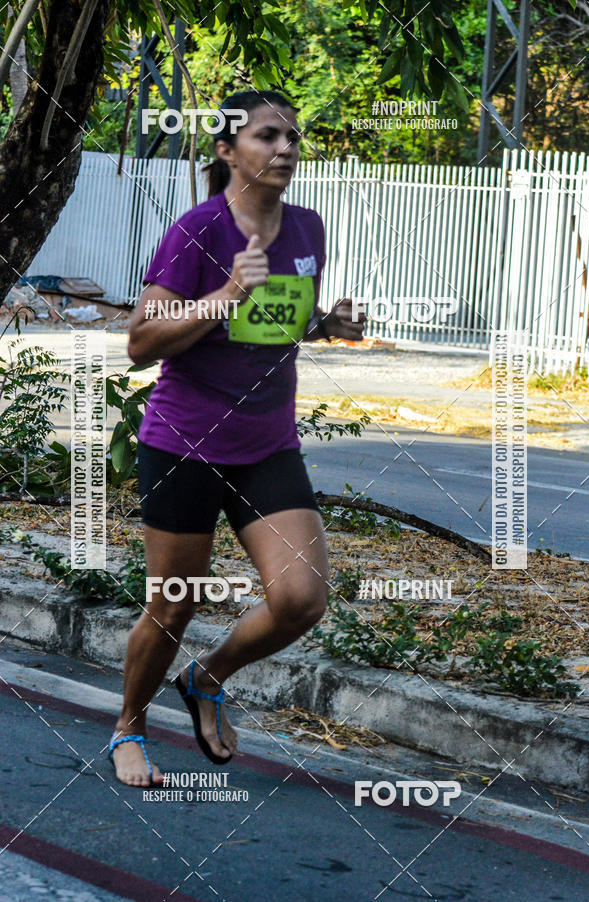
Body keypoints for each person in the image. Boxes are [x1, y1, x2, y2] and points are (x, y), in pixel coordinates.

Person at [109, 90, 366, 786]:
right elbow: (139, 343)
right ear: (226, 152)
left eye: (291, 136)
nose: (285, 148)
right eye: (266, 137)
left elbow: (280, 322)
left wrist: (328, 326)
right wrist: (223, 293)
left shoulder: (307, 228)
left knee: (301, 599)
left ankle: (209, 676)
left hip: (267, 446)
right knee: (173, 605)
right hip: (185, 443)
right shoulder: (196, 231)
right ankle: (128, 729)